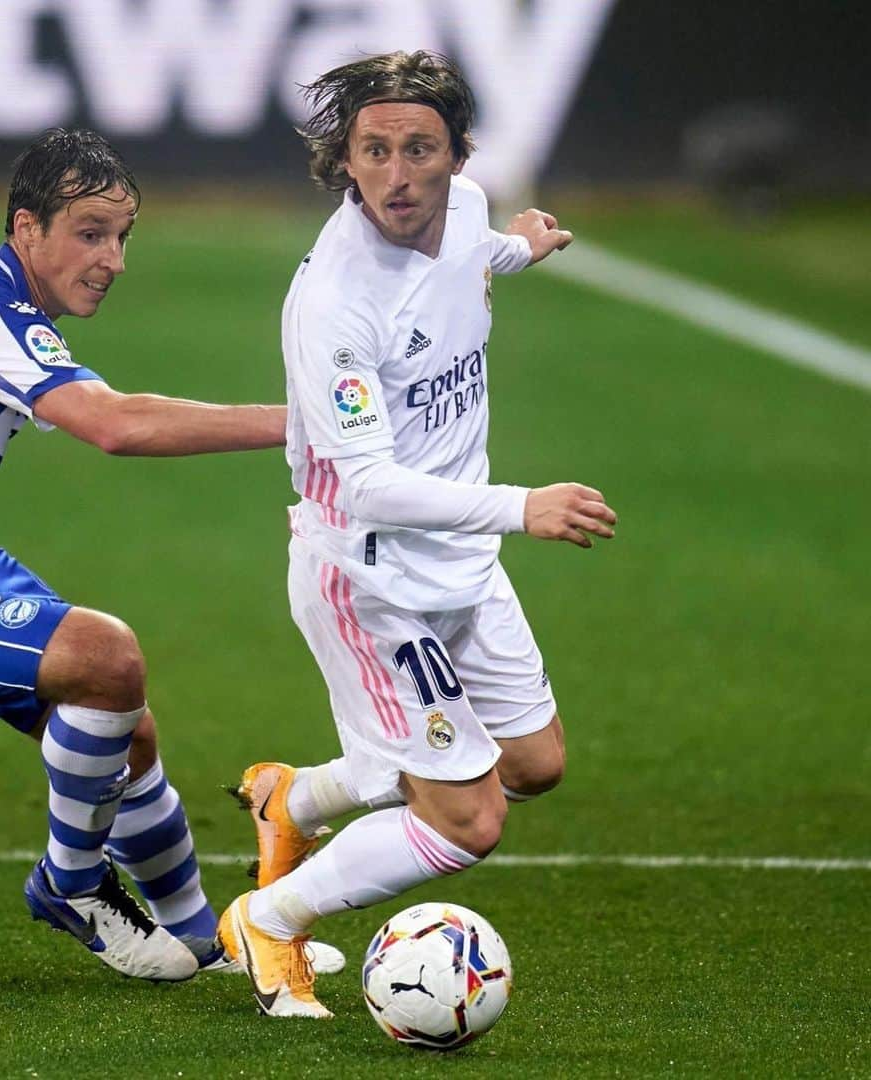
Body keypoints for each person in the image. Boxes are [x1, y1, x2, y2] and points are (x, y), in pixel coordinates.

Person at [0, 128, 344, 982]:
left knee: (125, 730)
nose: (114, 259)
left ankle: (209, 938)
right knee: (106, 657)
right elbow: (116, 426)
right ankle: (71, 884)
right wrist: (307, 425)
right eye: (91, 233)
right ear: (27, 228)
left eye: (122, 236)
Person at [217, 51, 618, 1018]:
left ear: (457, 156)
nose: (399, 175)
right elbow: (369, 488)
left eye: (420, 149)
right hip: (373, 578)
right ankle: (269, 923)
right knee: (470, 818)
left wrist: (518, 248)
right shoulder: (335, 307)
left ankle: (296, 800)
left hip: (462, 564)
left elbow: (464, 266)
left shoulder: (469, 209)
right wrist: (524, 507)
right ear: (344, 163)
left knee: (532, 766)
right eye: (374, 152)